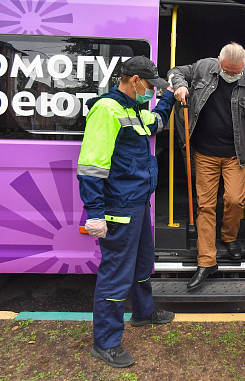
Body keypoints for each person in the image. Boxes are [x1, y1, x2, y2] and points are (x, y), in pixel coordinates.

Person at [77, 56, 176, 368]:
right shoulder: (106, 110)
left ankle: (144, 312)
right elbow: (91, 167)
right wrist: (94, 212)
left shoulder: (132, 109)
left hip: (137, 201)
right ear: (135, 81)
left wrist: (171, 95)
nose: (152, 92)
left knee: (143, 262)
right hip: (119, 207)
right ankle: (105, 343)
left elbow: (157, 122)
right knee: (116, 274)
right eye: (150, 86)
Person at [168, 42, 245, 290]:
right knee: (206, 205)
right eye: (228, 71)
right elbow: (176, 70)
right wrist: (179, 86)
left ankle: (230, 237)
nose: (232, 76)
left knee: (235, 200)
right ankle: (206, 261)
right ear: (219, 62)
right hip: (204, 153)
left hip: (235, 154)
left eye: (237, 72)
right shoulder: (203, 67)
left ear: (243, 67)